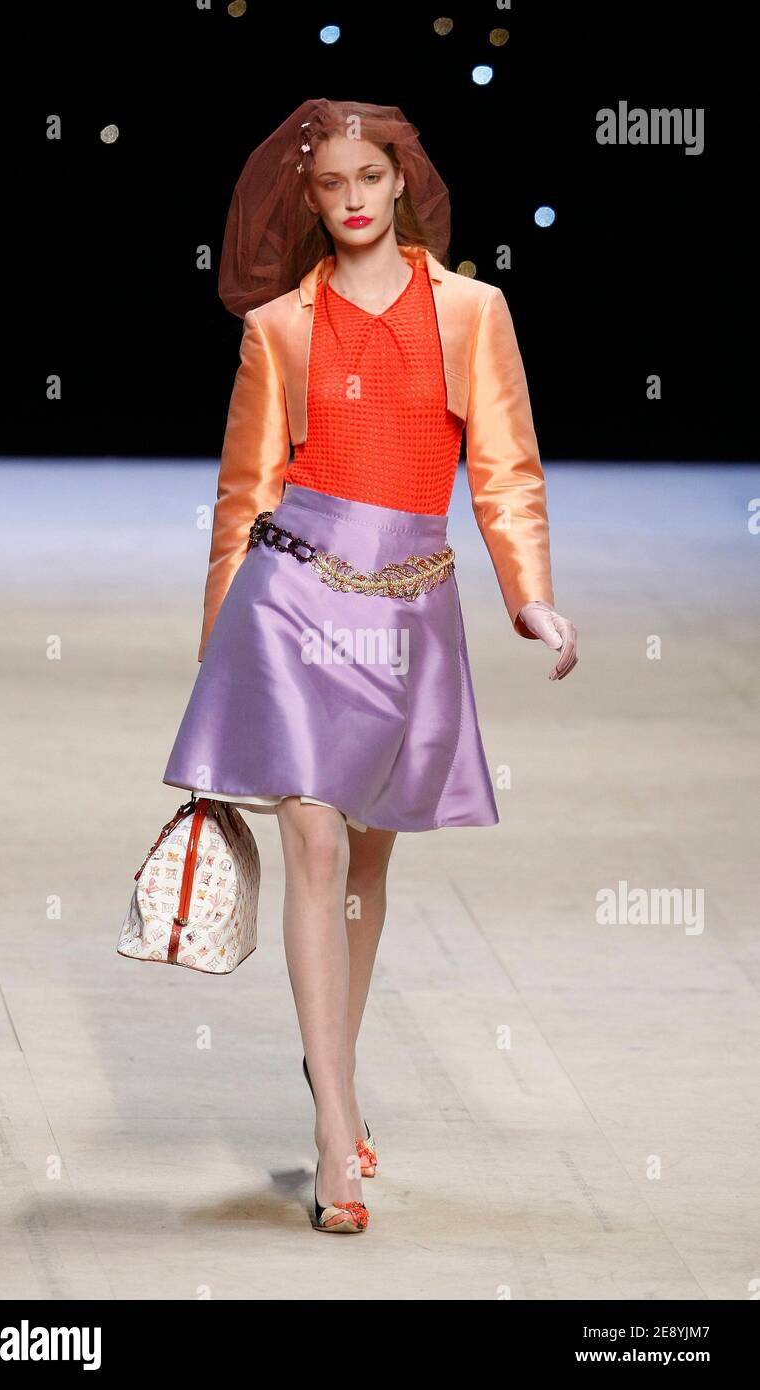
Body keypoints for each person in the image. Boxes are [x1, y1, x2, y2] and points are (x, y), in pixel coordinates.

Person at [162, 99, 578, 1233]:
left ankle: (327, 1068)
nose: (350, 197)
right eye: (331, 182)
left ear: (403, 184)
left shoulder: (473, 314)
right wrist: (220, 653)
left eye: (369, 177)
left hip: (411, 607)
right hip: (293, 598)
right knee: (310, 833)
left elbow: (504, 462)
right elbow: (242, 497)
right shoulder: (279, 329)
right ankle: (334, 1127)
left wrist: (530, 594)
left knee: (366, 866)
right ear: (309, 198)